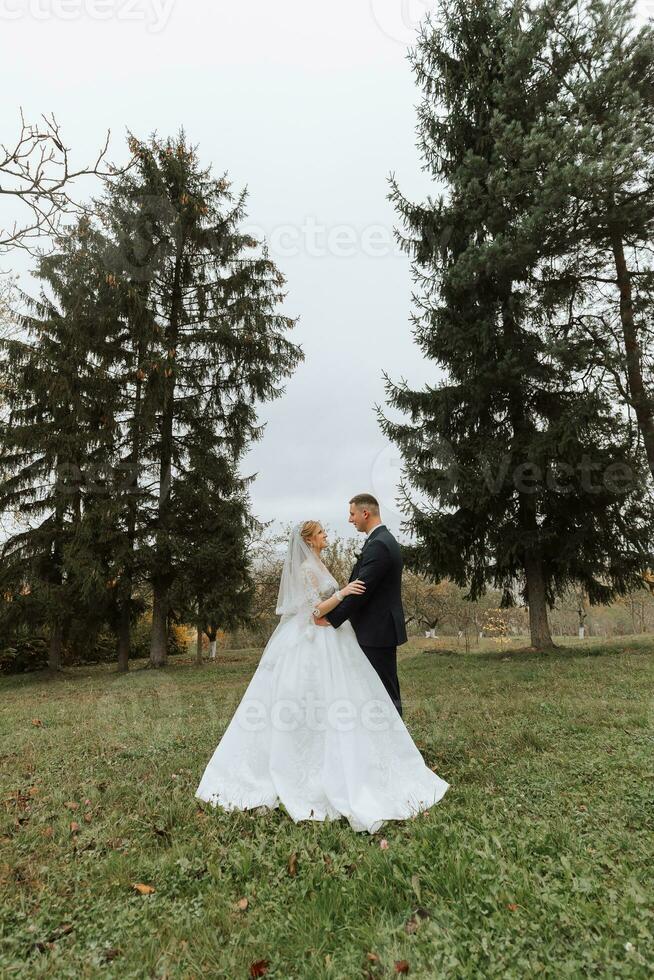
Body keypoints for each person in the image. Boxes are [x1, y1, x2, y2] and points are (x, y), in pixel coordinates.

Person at [195, 519, 449, 834]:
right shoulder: (305, 570)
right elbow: (315, 612)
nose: (326, 536)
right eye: (322, 533)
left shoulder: (319, 562)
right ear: (310, 540)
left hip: (335, 638)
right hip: (314, 641)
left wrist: (343, 595)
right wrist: (343, 594)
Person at [317, 493, 406, 717]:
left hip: (377, 630)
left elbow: (360, 590)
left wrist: (330, 618)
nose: (350, 519)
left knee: (384, 690)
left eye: (352, 514)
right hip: (376, 628)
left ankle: (395, 741)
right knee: (377, 689)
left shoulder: (379, 545)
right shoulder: (381, 540)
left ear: (365, 513)